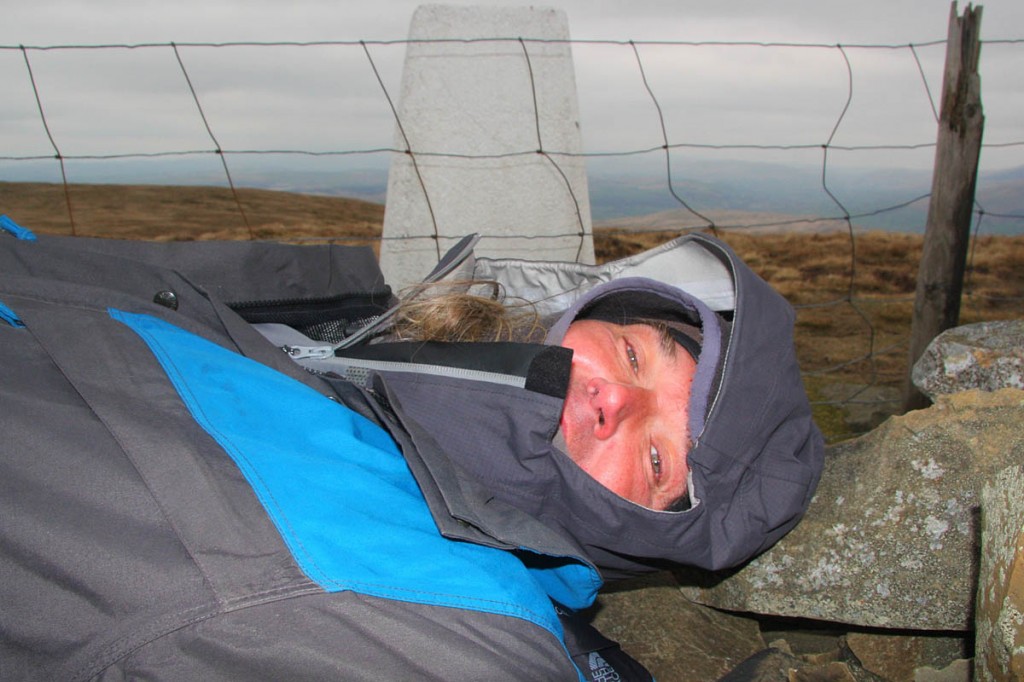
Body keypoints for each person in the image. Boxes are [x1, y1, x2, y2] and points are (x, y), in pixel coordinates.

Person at [0, 220, 824, 680]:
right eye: (639, 356)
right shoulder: (341, 338)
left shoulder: (465, 625)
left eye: (657, 461)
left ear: (646, 537)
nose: (616, 402)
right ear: (586, 311)